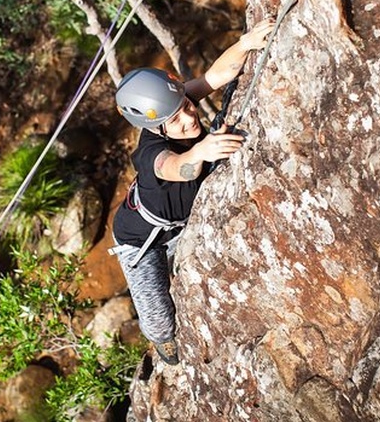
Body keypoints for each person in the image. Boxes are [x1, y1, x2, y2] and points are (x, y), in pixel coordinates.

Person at [111, 21, 274, 365]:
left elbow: (216, 76)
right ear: (157, 127)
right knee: (161, 320)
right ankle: (159, 341)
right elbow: (174, 167)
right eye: (176, 119)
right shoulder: (151, 152)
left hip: (177, 224)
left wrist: (245, 42)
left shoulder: (176, 105)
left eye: (187, 105)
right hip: (140, 239)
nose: (189, 116)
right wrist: (200, 152)